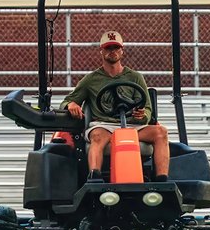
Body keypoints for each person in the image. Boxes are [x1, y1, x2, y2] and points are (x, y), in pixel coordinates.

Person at [61, 31, 170, 183]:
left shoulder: (135, 77)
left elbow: (147, 108)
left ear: (122, 50)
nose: (112, 52)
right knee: (97, 136)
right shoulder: (91, 79)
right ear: (102, 51)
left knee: (161, 132)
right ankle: (95, 177)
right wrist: (71, 104)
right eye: (108, 48)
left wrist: (142, 115)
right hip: (104, 126)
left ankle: (161, 179)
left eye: (116, 48)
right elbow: (68, 101)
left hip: (132, 127)